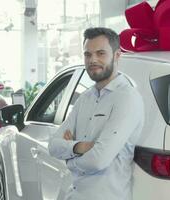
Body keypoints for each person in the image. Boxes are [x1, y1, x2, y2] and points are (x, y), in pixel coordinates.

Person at [48, 27, 144, 200]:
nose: (93, 60)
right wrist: (79, 147)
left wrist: (69, 159)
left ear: (117, 55)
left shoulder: (127, 98)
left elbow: (98, 160)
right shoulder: (85, 98)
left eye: (101, 53)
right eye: (87, 54)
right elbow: (53, 145)